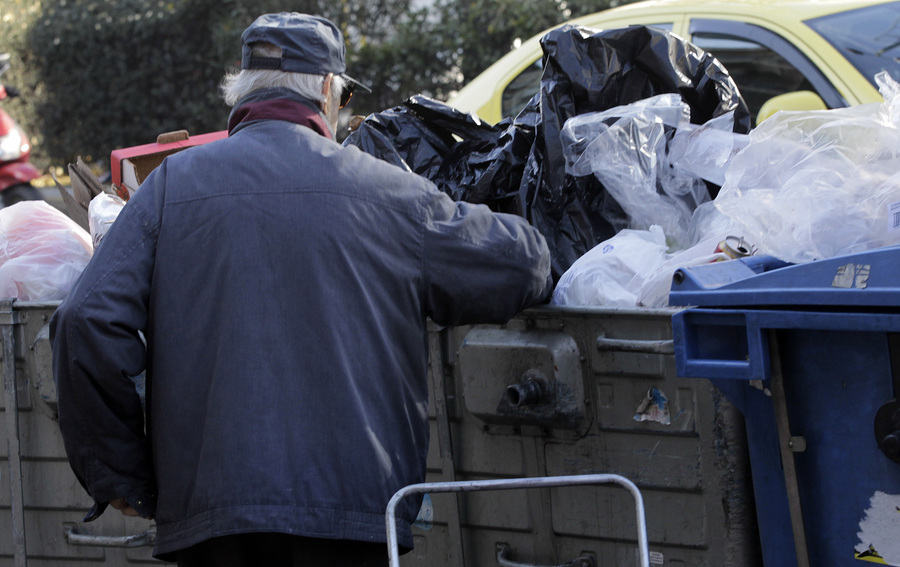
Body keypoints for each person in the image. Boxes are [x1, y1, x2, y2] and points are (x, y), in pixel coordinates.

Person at [51, 12, 552, 567]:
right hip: (351, 519)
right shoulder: (388, 192)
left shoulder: (170, 185)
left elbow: (85, 320)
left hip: (212, 524)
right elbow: (520, 264)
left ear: (240, 91)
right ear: (325, 91)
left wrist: (123, 475)